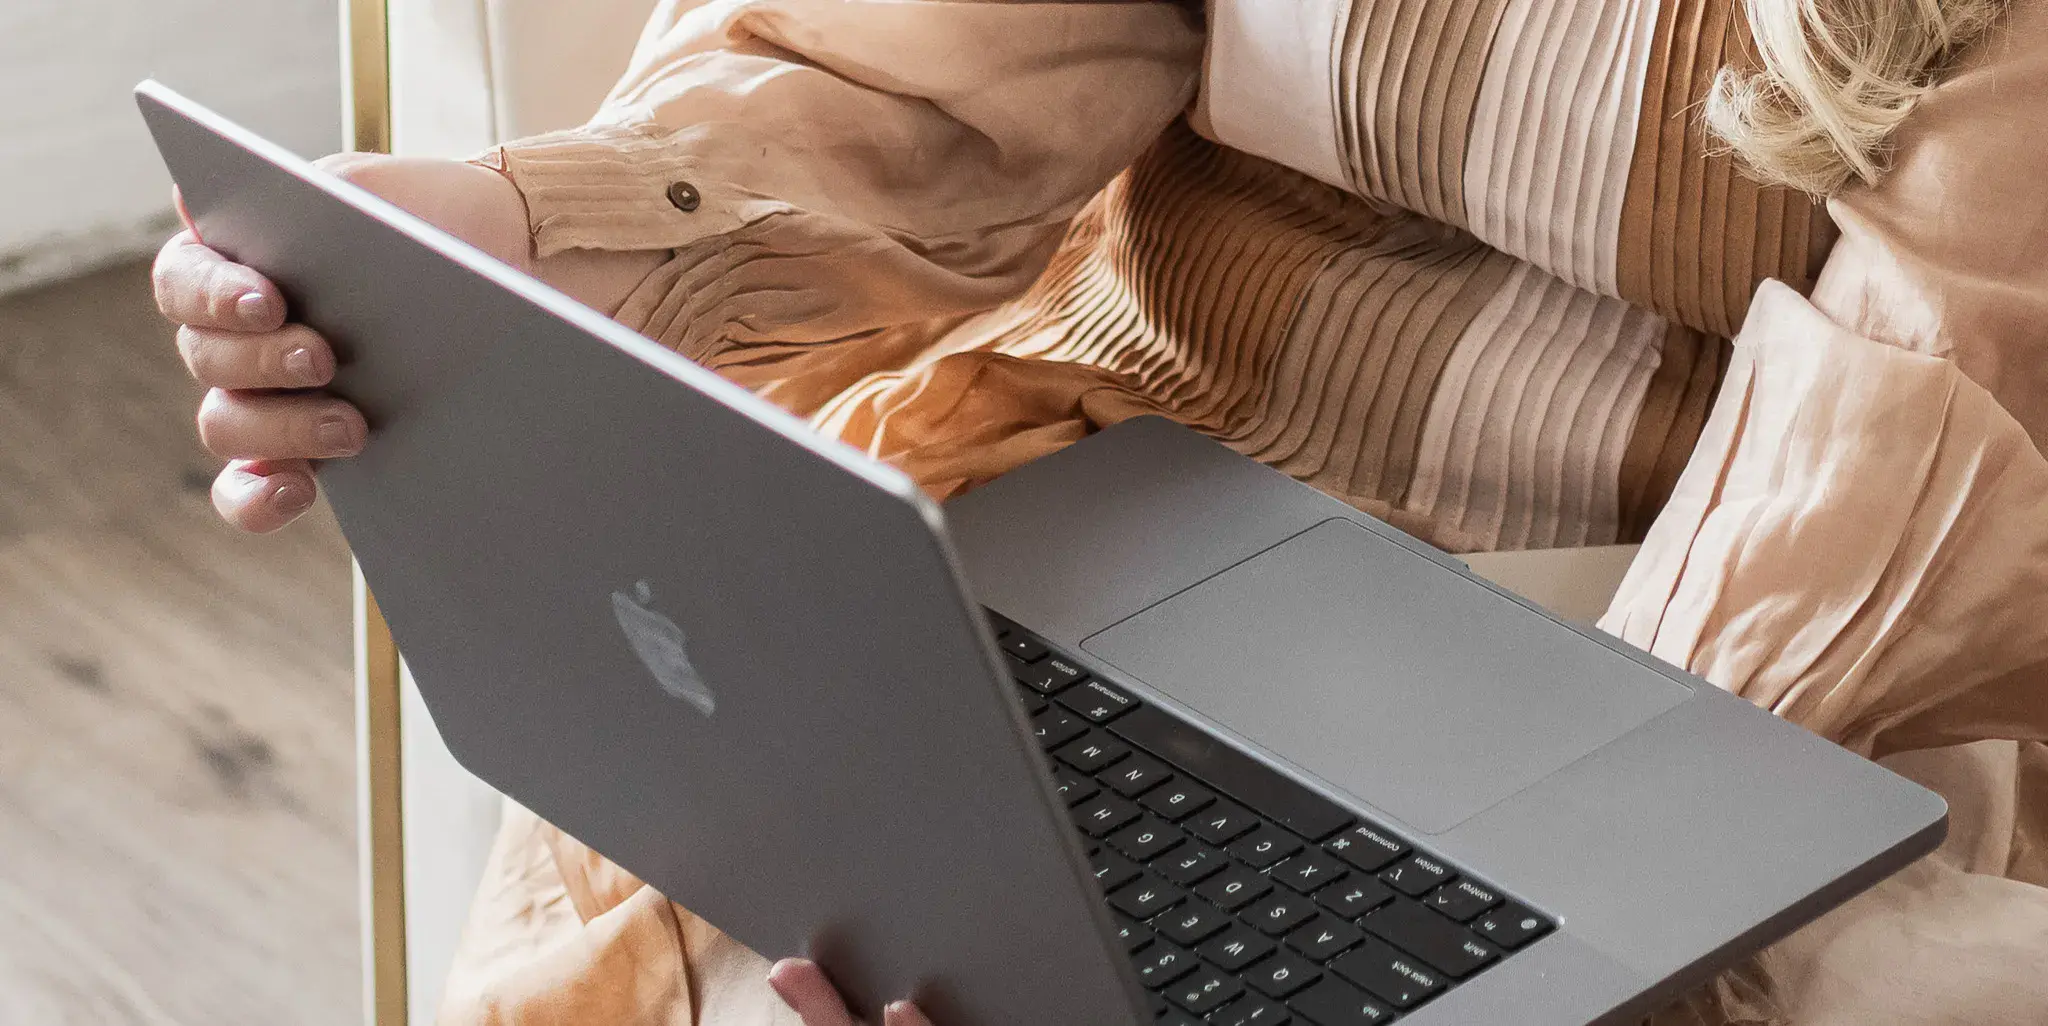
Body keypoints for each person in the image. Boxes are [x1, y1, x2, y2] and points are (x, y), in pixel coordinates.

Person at [153, 0, 2048, 1021]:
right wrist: (529, 231)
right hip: (1138, 476)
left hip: (1737, 632)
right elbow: (932, 73)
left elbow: (1896, 482)